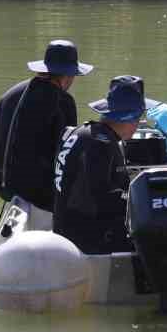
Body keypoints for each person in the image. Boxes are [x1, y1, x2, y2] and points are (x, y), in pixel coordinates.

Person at [0, 39, 91, 217]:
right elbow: (66, 154)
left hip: (3, 186)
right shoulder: (62, 101)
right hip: (38, 194)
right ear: (67, 76)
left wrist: (8, 170)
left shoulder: (13, 92)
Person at [52, 75, 149, 255]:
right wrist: (142, 199)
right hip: (86, 243)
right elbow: (103, 198)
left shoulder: (78, 133)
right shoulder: (101, 143)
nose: (139, 124)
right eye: (139, 117)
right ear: (129, 118)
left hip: (63, 233)